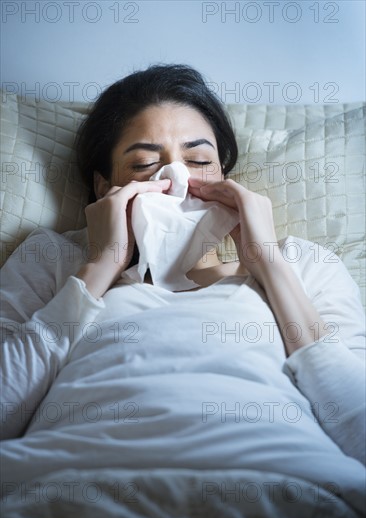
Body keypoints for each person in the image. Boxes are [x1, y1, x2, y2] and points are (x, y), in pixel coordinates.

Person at [0, 65, 365, 480]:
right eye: (143, 165)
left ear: (224, 177)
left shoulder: (303, 265)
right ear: (105, 187)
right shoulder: (54, 260)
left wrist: (268, 265)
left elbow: (357, 428)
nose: (175, 180)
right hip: (70, 489)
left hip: (281, 488)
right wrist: (101, 266)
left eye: (198, 160)